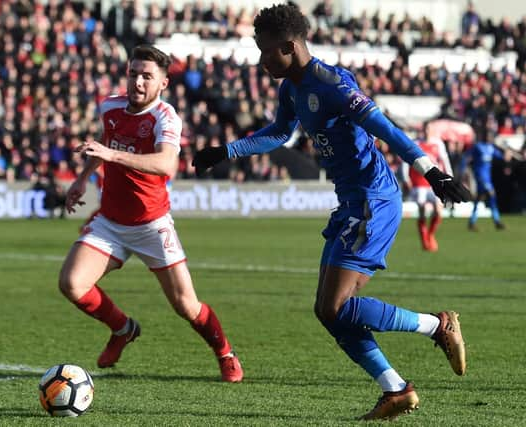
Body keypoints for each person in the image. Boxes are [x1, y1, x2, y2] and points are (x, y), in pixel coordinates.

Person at [192, 4, 471, 420]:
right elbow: (280, 133)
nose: (261, 60)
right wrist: (227, 150)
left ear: (289, 46)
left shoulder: (333, 84)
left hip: (372, 201)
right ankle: (395, 388)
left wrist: (432, 172)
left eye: (266, 51)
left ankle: (436, 325)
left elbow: (387, 129)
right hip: (351, 204)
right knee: (328, 311)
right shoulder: (291, 88)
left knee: (337, 307)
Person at [60, 45, 243, 383]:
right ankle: (123, 329)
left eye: (147, 76)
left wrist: (111, 155)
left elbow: (166, 164)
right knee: (72, 284)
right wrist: (83, 178)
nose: (138, 82)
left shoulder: (165, 117)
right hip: (111, 222)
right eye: (133, 74)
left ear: (162, 84)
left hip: (151, 225)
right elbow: (105, 140)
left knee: (186, 306)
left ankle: (225, 353)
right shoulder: (110, 107)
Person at [402, 128, 453, 251]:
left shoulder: (437, 144)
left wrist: (449, 176)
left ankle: (430, 235)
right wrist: (405, 178)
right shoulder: (416, 143)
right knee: (423, 210)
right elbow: (405, 160)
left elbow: (444, 160)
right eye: (425, 130)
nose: (426, 132)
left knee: (438, 211)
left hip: (433, 183)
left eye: (429, 130)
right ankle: (425, 240)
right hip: (419, 183)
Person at [459, 138, 508, 231]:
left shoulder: (491, 148)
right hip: (480, 177)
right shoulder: (478, 146)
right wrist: (463, 169)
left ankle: (472, 222)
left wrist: (507, 154)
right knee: (491, 194)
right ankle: (496, 221)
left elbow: (502, 157)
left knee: (479, 199)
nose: (490, 137)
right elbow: (467, 156)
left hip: (488, 179)